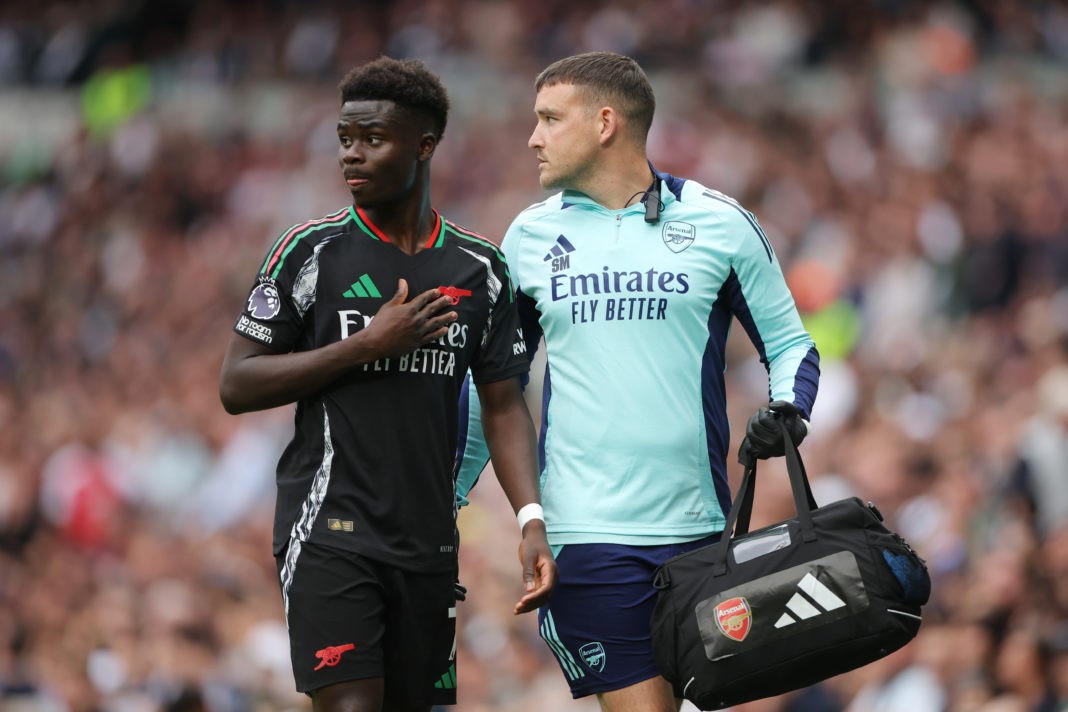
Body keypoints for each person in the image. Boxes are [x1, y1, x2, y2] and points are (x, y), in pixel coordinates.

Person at [455, 51, 820, 711]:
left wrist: (789, 410)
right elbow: (497, 389)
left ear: (604, 124)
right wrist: (446, 497)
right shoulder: (530, 237)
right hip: (585, 538)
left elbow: (791, 343)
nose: (533, 138)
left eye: (548, 119)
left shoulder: (720, 223)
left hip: (705, 532)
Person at [218, 56, 556, 712]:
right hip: (329, 530)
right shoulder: (310, 253)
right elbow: (237, 383)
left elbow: (505, 404)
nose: (352, 154)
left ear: (424, 145)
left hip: (428, 541)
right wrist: (365, 345)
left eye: (372, 139)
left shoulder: (479, 268)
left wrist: (531, 519)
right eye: (346, 138)